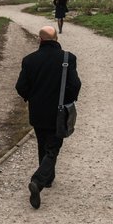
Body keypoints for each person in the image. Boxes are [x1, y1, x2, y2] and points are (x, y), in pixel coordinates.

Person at [15, 26, 81, 209]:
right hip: (58, 111)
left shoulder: (29, 60)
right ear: (56, 39)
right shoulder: (68, 59)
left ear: (40, 40)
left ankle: (48, 178)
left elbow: (21, 86)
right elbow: (75, 84)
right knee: (53, 148)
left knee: (42, 142)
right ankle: (38, 181)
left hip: (37, 110)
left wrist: (31, 98)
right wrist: (68, 100)